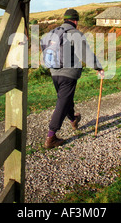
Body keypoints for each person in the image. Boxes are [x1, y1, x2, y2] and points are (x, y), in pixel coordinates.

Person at [44, 8, 104, 149]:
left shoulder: (53, 33)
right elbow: (85, 53)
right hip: (68, 74)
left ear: (65, 19)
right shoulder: (75, 34)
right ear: (75, 21)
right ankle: (51, 137)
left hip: (54, 72)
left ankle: (73, 119)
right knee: (63, 102)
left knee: (66, 98)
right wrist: (98, 67)